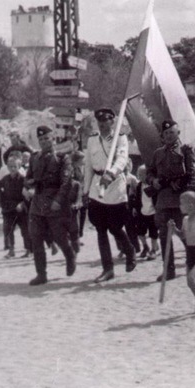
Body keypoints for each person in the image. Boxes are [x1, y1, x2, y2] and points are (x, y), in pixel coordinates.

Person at [82, 108, 137, 283]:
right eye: (100, 122)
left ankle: (129, 250)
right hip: (97, 187)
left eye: (106, 122)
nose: (103, 125)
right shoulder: (92, 140)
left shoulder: (120, 138)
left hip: (114, 186)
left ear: (112, 122)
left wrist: (111, 173)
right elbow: (89, 166)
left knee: (114, 227)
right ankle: (108, 269)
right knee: (100, 229)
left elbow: (122, 159)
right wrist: (85, 191)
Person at [147, 119, 195, 281]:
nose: (169, 136)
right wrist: (153, 181)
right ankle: (168, 270)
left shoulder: (186, 151)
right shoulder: (158, 153)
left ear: (178, 133)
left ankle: (193, 262)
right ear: (162, 136)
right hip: (163, 200)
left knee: (186, 233)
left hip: (182, 201)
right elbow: (150, 172)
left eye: (172, 132)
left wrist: (190, 197)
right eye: (166, 133)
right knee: (164, 236)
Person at [24, 126, 77, 285]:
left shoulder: (62, 158)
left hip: (54, 203)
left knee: (59, 237)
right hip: (37, 203)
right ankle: (41, 274)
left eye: (47, 138)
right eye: (41, 139)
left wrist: (58, 201)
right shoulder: (34, 158)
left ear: (53, 138)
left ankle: (69, 255)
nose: (44, 142)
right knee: (36, 238)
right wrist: (30, 183)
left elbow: (66, 183)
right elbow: (27, 178)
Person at [0, 157, 27, 258]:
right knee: (8, 229)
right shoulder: (5, 179)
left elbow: (28, 195)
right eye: (10, 167)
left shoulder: (23, 179)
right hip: (9, 209)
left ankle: (29, 250)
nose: (13, 169)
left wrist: (22, 204)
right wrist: (2, 204)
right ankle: (11, 250)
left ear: (19, 167)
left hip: (21, 208)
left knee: (25, 230)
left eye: (15, 166)